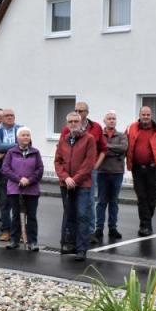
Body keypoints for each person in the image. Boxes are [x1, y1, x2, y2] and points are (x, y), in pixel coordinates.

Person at [60, 102, 108, 244]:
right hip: (70, 174)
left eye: (81, 111)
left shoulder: (96, 128)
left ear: (87, 112)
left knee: (88, 203)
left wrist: (95, 166)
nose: (78, 113)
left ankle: (90, 231)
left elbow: (104, 149)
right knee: (71, 206)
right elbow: (61, 151)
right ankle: (71, 233)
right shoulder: (66, 129)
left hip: (88, 172)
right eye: (76, 110)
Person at [55, 111, 97, 261]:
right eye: (70, 121)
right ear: (67, 124)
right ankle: (69, 244)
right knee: (70, 215)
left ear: (81, 123)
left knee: (82, 215)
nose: (73, 124)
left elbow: (89, 163)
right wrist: (66, 178)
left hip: (83, 184)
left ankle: (81, 249)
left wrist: (75, 179)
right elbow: (58, 162)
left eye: (76, 121)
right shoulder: (63, 140)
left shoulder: (89, 139)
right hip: (66, 184)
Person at [1, 126, 44, 251]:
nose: (25, 137)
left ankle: (32, 242)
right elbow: (6, 168)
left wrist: (29, 180)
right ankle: (14, 240)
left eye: (27, 135)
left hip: (32, 190)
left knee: (31, 216)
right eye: (23, 135)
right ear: (17, 138)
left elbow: (39, 170)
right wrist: (19, 179)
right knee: (15, 215)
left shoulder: (35, 152)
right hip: (15, 189)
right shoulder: (11, 152)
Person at [125, 106, 156, 237]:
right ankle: (145, 225)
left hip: (152, 169)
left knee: (151, 198)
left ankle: (146, 222)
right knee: (141, 197)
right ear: (140, 115)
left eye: (148, 114)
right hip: (137, 168)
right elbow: (125, 145)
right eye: (144, 114)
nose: (146, 117)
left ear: (151, 115)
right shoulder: (131, 128)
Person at [96, 111, 128, 240]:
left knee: (114, 201)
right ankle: (98, 229)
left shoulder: (122, 135)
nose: (111, 120)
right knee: (101, 201)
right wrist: (114, 151)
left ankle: (112, 228)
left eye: (114, 118)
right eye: (109, 118)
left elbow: (124, 148)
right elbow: (98, 148)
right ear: (104, 120)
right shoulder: (99, 135)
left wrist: (106, 148)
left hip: (117, 172)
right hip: (102, 171)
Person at [0, 109, 20, 241]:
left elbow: (27, 143)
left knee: (19, 204)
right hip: (2, 172)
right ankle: (6, 230)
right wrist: (17, 145)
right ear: (1, 118)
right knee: (4, 204)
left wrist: (5, 150)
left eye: (12, 115)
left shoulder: (21, 129)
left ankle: (18, 232)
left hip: (19, 172)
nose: (9, 117)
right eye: (6, 116)